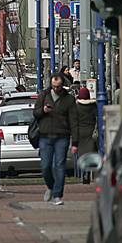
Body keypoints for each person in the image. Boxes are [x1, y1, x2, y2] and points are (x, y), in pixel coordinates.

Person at [33, 72, 78, 205]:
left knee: (59, 165)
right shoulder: (44, 95)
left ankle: (58, 195)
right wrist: (43, 110)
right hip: (45, 136)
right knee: (45, 166)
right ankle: (51, 186)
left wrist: (75, 142)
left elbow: (74, 121)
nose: (56, 89)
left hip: (62, 136)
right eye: (54, 86)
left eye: (58, 86)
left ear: (62, 85)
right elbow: (35, 113)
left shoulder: (69, 99)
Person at [72, 87, 98, 183]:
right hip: (91, 132)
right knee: (91, 153)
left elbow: (74, 121)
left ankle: (83, 173)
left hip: (80, 133)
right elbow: (97, 117)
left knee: (82, 154)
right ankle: (90, 172)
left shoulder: (76, 106)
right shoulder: (93, 106)